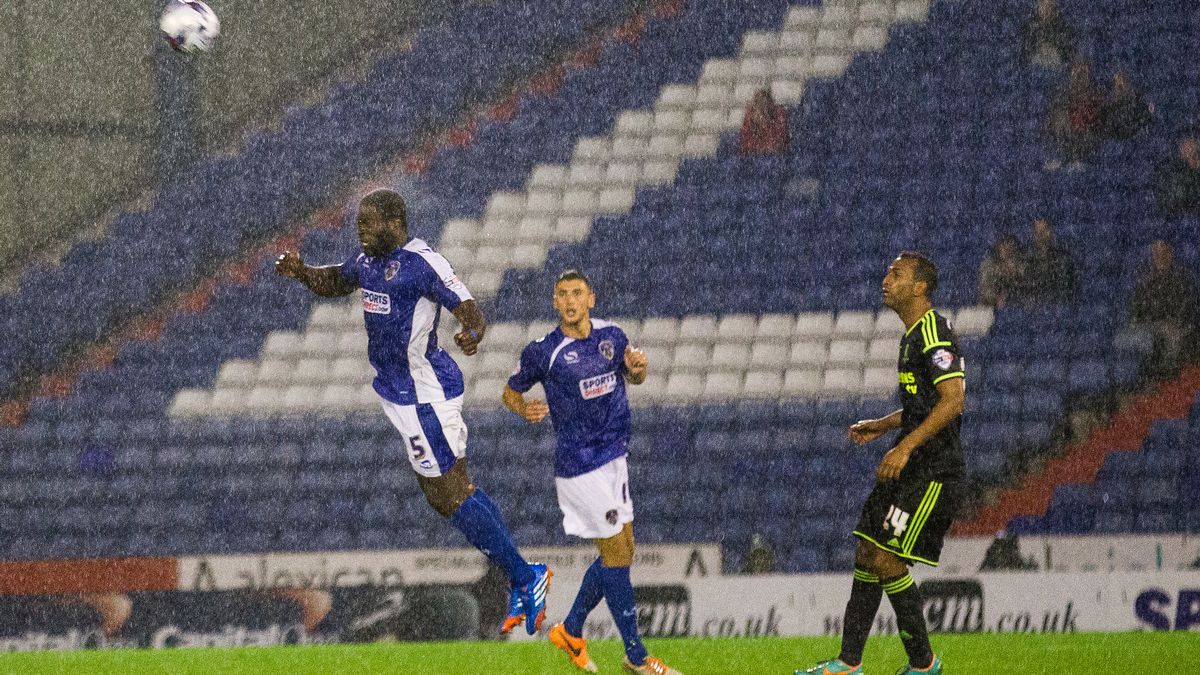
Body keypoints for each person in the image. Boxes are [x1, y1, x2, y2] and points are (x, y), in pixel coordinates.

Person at [274, 188, 551, 636]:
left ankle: (524, 576)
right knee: (450, 492)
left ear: (395, 222)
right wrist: (303, 271)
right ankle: (520, 575)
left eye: (369, 222)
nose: (361, 229)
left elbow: (468, 306)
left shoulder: (422, 261)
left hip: (425, 394)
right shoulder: (366, 262)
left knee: (450, 495)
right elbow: (338, 281)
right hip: (399, 394)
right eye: (358, 222)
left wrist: (472, 332)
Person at [502, 270, 681, 675]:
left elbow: (635, 375)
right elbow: (510, 391)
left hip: (616, 456)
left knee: (623, 552)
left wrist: (638, 369)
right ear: (554, 302)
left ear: (591, 299)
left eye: (577, 293)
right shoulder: (543, 351)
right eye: (562, 294)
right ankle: (636, 657)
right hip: (580, 466)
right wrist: (522, 408)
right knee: (616, 555)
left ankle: (571, 629)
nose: (570, 300)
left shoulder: (613, 337)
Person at [798, 252, 964, 675]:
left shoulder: (934, 332)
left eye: (897, 274)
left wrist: (904, 447)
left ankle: (923, 664)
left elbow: (953, 401)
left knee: (888, 559)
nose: (886, 279)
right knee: (868, 551)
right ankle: (849, 662)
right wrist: (883, 424)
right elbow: (921, 405)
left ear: (920, 287)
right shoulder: (910, 336)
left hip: (933, 471)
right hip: (911, 463)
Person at [1127, 240, 1198, 378]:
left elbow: (1187, 307)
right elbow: (1137, 310)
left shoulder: (1181, 278)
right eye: (1157, 254)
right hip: (1149, 326)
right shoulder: (1144, 279)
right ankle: (1151, 378)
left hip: (1175, 326)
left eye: (1164, 253)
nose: (1161, 258)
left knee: (1173, 334)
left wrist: (1175, 322)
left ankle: (1167, 377)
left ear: (1171, 255)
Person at [1045, 56, 1103, 170]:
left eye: (1084, 70)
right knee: (1061, 119)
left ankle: (1078, 158)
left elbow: (1096, 119)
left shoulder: (1095, 93)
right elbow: (1054, 120)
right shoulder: (1061, 94)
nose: (1080, 74)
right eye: (1076, 69)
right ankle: (1065, 158)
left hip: (1088, 138)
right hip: (1067, 136)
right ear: (1071, 72)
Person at [1025, 218, 1079, 304]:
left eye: (1044, 230)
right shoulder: (1026, 258)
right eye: (1037, 232)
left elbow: (1067, 288)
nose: (1040, 235)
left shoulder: (1064, 258)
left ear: (1051, 232)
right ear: (1033, 234)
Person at [1153, 134, 1200, 218]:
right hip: (1178, 215)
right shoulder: (1169, 169)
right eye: (1187, 144)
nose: (1191, 147)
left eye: (1193, 142)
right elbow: (1177, 198)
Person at [1018, 0, 1075, 67]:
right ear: (1038, 4)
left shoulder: (1065, 29)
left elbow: (1068, 57)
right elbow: (1023, 57)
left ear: (1055, 4)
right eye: (1042, 2)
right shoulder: (1027, 28)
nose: (1046, 6)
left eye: (1049, 4)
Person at [1101, 70, 1154, 140]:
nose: (1121, 85)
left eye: (1125, 80)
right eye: (1118, 83)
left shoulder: (1141, 107)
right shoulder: (1108, 110)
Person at [978, 233, 1027, 308]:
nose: (1007, 250)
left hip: (1016, 306)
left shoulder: (1021, 266)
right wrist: (995, 299)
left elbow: (1025, 288)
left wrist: (1013, 273)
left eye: (1010, 246)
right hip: (992, 307)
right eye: (1003, 246)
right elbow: (985, 290)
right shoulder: (989, 266)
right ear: (998, 248)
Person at [738, 88, 790, 156]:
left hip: (776, 156)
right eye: (759, 103)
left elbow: (779, 142)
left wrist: (766, 123)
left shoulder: (779, 114)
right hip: (754, 156)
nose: (762, 106)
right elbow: (745, 143)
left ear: (770, 103)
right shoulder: (750, 115)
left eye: (764, 102)